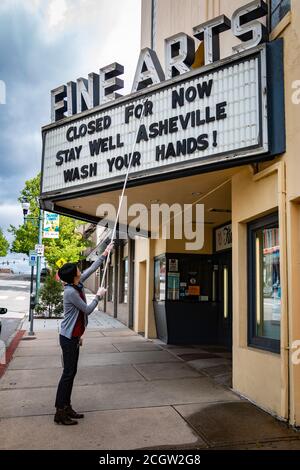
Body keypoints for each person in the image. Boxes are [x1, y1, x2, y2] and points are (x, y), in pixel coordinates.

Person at [54, 242, 114, 425]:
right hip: (68, 337)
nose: (81, 270)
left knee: (71, 372)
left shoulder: (77, 284)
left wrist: (105, 253)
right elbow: (87, 310)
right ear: (73, 276)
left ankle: (67, 406)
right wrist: (99, 296)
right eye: (78, 270)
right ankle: (59, 412)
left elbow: (93, 266)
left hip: (74, 335)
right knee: (68, 373)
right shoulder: (70, 292)